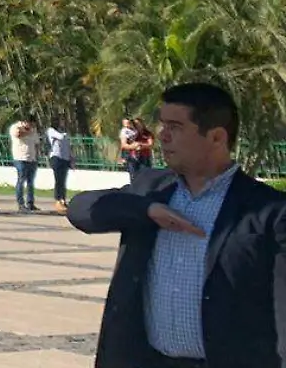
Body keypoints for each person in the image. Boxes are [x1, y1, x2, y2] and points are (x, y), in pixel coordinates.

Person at [69, 82, 286, 367]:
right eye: (162, 124)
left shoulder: (269, 210)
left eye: (175, 126)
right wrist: (147, 209)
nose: (162, 135)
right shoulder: (150, 189)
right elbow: (81, 210)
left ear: (217, 137)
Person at [9, 116, 43, 212]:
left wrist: (37, 156)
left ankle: (30, 203)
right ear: (24, 121)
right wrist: (28, 131)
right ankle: (20, 203)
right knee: (21, 180)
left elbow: (36, 143)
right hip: (20, 158)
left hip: (32, 158)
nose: (31, 125)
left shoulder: (33, 130)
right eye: (29, 123)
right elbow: (18, 134)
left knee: (30, 182)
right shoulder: (15, 127)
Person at [46, 121, 75, 214]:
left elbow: (68, 146)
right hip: (56, 158)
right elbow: (61, 137)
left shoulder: (65, 133)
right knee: (58, 180)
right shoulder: (51, 131)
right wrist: (65, 134)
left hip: (65, 158)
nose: (62, 123)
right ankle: (58, 200)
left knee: (63, 181)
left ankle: (63, 200)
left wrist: (71, 158)